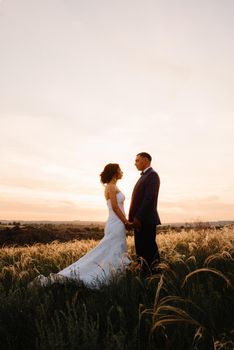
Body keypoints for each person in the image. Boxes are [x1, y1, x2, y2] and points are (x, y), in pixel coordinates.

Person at [30, 163, 131, 288]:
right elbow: (115, 207)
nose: (122, 172)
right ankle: (95, 275)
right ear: (114, 172)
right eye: (119, 169)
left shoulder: (113, 186)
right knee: (109, 250)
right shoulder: (111, 186)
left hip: (117, 223)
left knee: (112, 250)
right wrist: (126, 222)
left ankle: (114, 275)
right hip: (116, 223)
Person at [127, 152, 161, 273]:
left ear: (146, 160)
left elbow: (149, 198)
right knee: (141, 250)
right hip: (139, 220)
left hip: (146, 220)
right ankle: (144, 274)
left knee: (149, 250)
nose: (135, 163)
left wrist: (138, 217)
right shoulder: (144, 176)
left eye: (137, 160)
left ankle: (155, 274)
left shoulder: (152, 175)